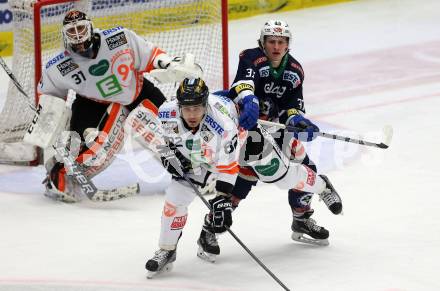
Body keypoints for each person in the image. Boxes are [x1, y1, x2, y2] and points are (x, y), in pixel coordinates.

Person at [196, 20, 343, 260]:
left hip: (274, 127)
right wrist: (249, 100)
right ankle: (209, 230)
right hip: (246, 126)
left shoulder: (295, 71)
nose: (276, 46)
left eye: (281, 42)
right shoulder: (251, 58)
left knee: (306, 168)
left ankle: (301, 219)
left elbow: (292, 106)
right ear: (263, 42)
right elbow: (244, 83)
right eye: (271, 41)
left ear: (288, 44)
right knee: (241, 183)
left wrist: (296, 120)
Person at [33, 10, 200, 202]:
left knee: (172, 131)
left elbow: (150, 55)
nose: (77, 35)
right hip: (93, 104)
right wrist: (48, 115)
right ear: (65, 35)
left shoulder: (119, 38)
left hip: (137, 92)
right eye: (72, 31)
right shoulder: (59, 66)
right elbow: (48, 96)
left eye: (80, 28)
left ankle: (195, 171)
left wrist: (169, 64)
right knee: (96, 147)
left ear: (90, 27)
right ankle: (61, 173)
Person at [144, 78, 242, 277]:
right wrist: (168, 156)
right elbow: (161, 142)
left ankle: (208, 232)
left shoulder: (223, 125)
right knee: (173, 202)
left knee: (224, 207)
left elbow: (229, 166)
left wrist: (223, 197)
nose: (192, 114)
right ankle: (167, 250)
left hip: (224, 153)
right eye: (186, 108)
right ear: (179, 105)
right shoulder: (165, 112)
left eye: (197, 108)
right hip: (194, 158)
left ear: (205, 105)